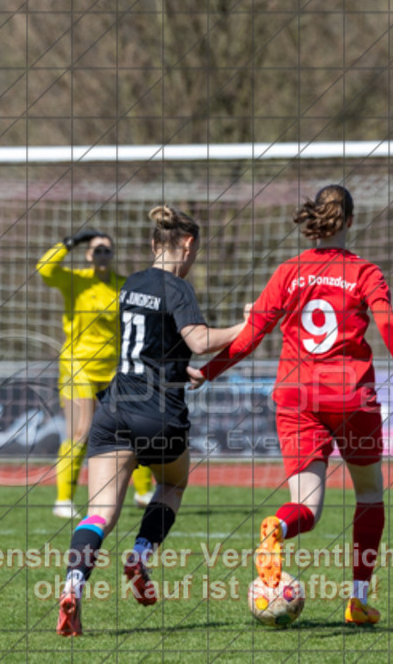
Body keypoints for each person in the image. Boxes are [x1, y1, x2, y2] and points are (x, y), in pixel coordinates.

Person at [187, 185, 393, 626]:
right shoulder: (365, 272)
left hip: (297, 398)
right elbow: (388, 323)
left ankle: (278, 528)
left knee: (308, 509)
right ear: (351, 222)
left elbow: (252, 334)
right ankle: (357, 599)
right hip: (351, 396)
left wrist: (210, 370)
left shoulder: (288, 272)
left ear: (314, 222)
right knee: (370, 494)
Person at [56, 205, 246, 636]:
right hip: (159, 416)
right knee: (174, 484)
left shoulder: (130, 285)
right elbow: (197, 340)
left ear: (151, 243)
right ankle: (141, 556)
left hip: (116, 410)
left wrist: (180, 370)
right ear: (189, 245)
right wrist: (246, 325)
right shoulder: (177, 288)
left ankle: (72, 584)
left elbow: (149, 349)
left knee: (100, 512)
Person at [37, 229, 155, 519]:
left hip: (116, 368)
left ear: (112, 255)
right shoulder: (75, 281)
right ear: (89, 255)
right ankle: (63, 500)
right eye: (96, 250)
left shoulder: (122, 285)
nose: (102, 254)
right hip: (78, 368)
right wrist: (68, 243)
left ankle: (143, 492)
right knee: (80, 432)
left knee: (132, 429)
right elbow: (45, 269)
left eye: (107, 250)